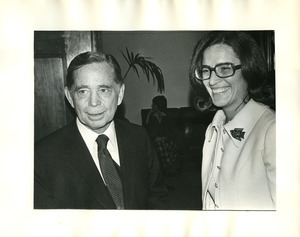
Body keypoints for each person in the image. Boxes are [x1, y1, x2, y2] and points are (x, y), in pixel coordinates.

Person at [34, 51, 168, 209]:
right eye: (83, 91)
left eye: (104, 90)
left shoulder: (139, 137)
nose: (94, 102)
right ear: (70, 97)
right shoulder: (43, 157)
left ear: (120, 94)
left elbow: (157, 199)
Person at [189, 31, 276, 210]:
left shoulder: (272, 130)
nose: (212, 80)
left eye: (224, 68)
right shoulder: (212, 130)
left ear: (248, 69)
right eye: (206, 70)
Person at [145, 96, 179, 177]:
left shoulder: (167, 115)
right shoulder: (153, 117)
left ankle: (168, 169)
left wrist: (162, 120)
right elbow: (148, 131)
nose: (152, 106)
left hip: (167, 139)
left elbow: (172, 131)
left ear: (158, 105)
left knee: (163, 144)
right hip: (155, 141)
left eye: (154, 104)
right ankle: (166, 170)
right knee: (160, 145)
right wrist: (150, 116)